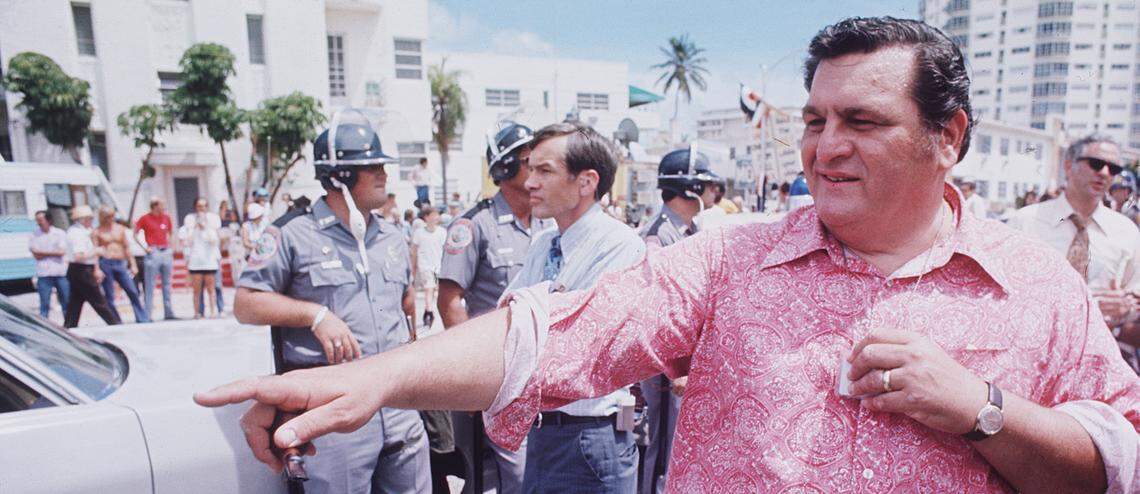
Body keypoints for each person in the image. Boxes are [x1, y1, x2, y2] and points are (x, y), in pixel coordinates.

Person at [198, 17, 1140, 493]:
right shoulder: (729, 263)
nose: (823, 147)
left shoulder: (1036, 288)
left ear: (950, 138)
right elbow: (562, 332)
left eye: (862, 120)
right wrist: (380, 381)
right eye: (814, 120)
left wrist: (982, 412)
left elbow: (1113, 461)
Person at [228, 115, 429, 493]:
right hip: (334, 414)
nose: (384, 174)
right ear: (340, 176)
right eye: (371, 166)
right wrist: (314, 314)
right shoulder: (291, 233)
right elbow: (245, 303)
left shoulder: (391, 236)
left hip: (399, 405)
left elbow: (405, 304)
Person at [499, 121, 645, 493]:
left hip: (591, 440)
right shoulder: (544, 244)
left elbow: (566, 342)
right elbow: (508, 322)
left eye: (544, 171)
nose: (530, 182)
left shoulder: (619, 246)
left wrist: (531, 318)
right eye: (530, 169)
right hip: (545, 433)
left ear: (586, 182)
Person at [438, 121, 552, 494]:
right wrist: (469, 373)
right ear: (504, 170)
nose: (537, 169)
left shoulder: (547, 224)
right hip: (498, 377)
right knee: (512, 479)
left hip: (542, 375)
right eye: (528, 161)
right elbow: (450, 302)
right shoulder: (475, 226)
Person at [1009, 134, 1140, 369]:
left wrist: (1126, 310)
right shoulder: (1026, 222)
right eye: (1096, 164)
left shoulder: (1126, 233)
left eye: (1114, 168)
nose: (1105, 173)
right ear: (1068, 165)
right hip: (1029, 356)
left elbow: (1134, 298)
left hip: (1097, 360)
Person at [638, 146, 720, 494]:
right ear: (690, 189)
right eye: (705, 184)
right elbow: (659, 311)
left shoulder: (684, 232)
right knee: (658, 449)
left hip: (678, 363)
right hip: (664, 366)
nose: (712, 192)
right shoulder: (660, 237)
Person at [64, 205, 120, 328]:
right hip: (81, 269)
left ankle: (69, 326)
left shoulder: (81, 232)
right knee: (98, 300)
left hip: (78, 270)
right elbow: (79, 256)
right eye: (89, 219)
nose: (91, 221)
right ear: (83, 219)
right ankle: (115, 324)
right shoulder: (77, 234)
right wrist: (97, 251)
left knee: (75, 302)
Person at [93, 206, 149, 323]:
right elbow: (95, 252)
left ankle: (141, 317)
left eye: (112, 216)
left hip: (120, 262)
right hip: (106, 262)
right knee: (109, 294)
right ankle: (115, 320)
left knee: (132, 290)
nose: (110, 219)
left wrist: (132, 264)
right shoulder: (97, 231)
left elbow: (127, 247)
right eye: (107, 217)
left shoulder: (120, 229)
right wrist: (96, 268)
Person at [135, 198, 176, 320]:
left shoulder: (166, 217)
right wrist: (145, 247)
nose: (163, 207)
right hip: (153, 251)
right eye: (161, 205)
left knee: (167, 283)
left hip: (165, 250)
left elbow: (171, 232)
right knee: (150, 284)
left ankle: (168, 312)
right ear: (155, 206)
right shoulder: (145, 218)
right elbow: (135, 233)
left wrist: (171, 246)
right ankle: (147, 315)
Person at [181, 198, 221, 319]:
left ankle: (213, 311)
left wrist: (206, 227)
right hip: (195, 260)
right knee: (196, 290)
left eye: (203, 206)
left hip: (209, 259)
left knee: (211, 289)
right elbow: (187, 240)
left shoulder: (213, 219)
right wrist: (195, 227)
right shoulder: (189, 219)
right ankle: (197, 312)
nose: (201, 209)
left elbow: (214, 240)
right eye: (199, 206)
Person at [29, 210, 69, 320]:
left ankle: (69, 325)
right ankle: (44, 325)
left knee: (66, 301)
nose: (39, 222)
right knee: (44, 303)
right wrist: (53, 252)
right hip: (44, 273)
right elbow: (36, 255)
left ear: (49, 220)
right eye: (37, 220)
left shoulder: (60, 233)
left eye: (41, 220)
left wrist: (43, 252)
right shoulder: (34, 235)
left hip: (59, 272)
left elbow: (61, 252)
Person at [411, 206, 446, 329]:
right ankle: (429, 312)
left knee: (437, 289)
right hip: (425, 265)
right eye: (434, 215)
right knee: (429, 288)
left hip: (439, 265)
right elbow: (414, 252)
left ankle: (430, 311)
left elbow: (445, 250)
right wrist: (413, 268)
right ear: (426, 217)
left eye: (437, 215)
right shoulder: (419, 233)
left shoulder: (442, 232)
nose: (437, 217)